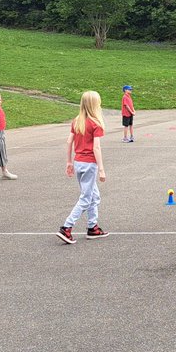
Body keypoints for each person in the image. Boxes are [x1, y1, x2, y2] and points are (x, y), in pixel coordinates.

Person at [57, 91, 109, 244]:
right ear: (95, 105)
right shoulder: (95, 124)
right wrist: (101, 169)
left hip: (79, 162)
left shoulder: (77, 121)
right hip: (89, 164)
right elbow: (96, 148)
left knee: (94, 196)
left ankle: (92, 227)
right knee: (86, 198)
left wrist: (69, 162)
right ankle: (66, 227)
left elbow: (69, 141)